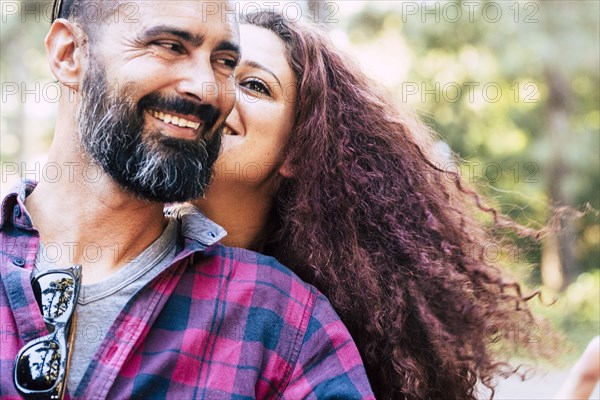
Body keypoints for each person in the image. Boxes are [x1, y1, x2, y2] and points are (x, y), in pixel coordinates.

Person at [0, 1, 374, 399]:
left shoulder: (284, 323)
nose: (207, 89)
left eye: (225, 61)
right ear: (69, 54)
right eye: (170, 46)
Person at [192, 10, 559, 400]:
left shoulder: (309, 327)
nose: (217, 92)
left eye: (254, 84)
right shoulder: (134, 256)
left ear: (298, 150)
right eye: (218, 69)